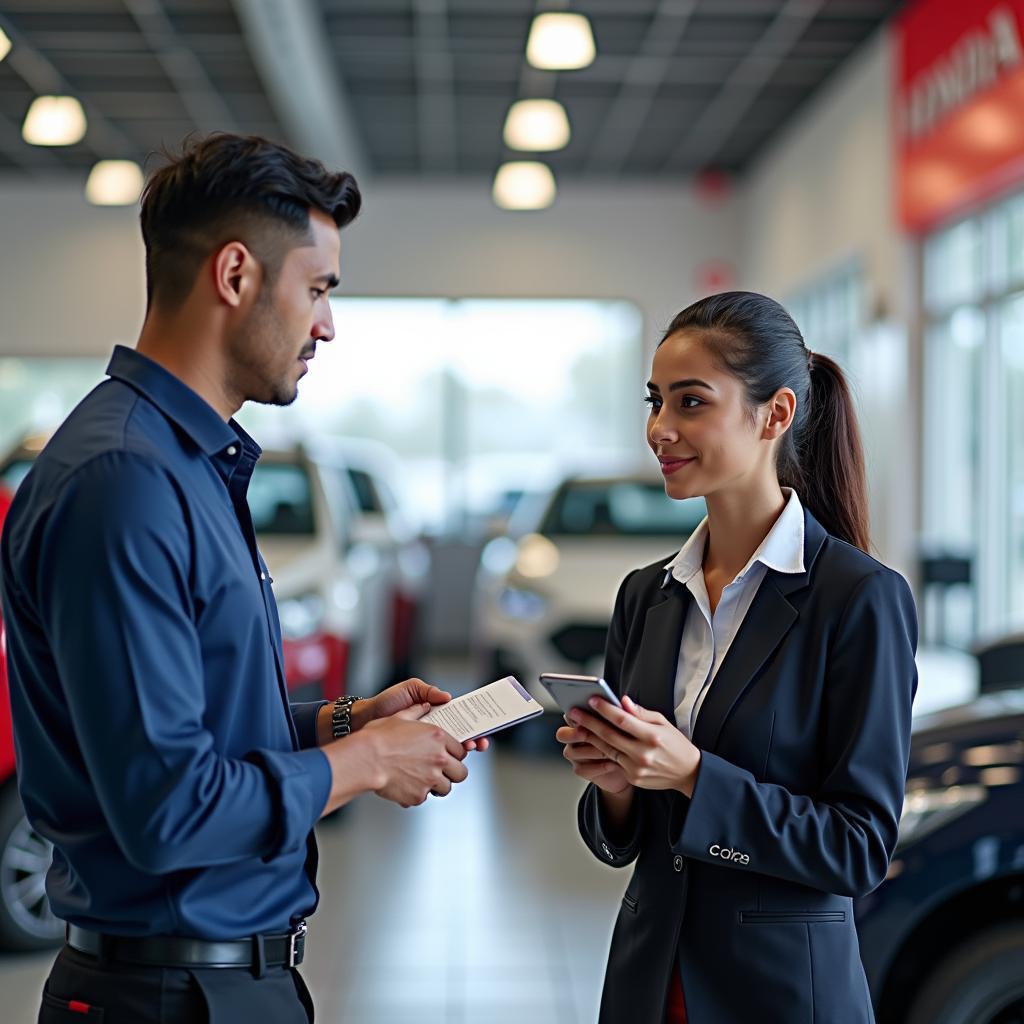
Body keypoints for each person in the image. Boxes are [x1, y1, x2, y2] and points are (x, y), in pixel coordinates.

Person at [0, 133, 487, 1024]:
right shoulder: (125, 481)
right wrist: (367, 761)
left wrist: (348, 720)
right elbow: (168, 809)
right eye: (319, 288)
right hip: (164, 994)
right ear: (235, 275)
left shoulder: (187, 466)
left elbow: (199, 730)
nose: (329, 324)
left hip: (220, 983)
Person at [557, 291, 917, 1023]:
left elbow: (858, 849)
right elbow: (622, 841)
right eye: (655, 401)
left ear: (775, 414)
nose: (661, 429)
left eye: (691, 403)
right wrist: (617, 785)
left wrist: (691, 775)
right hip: (650, 986)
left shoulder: (858, 599)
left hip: (781, 995)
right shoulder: (646, 595)